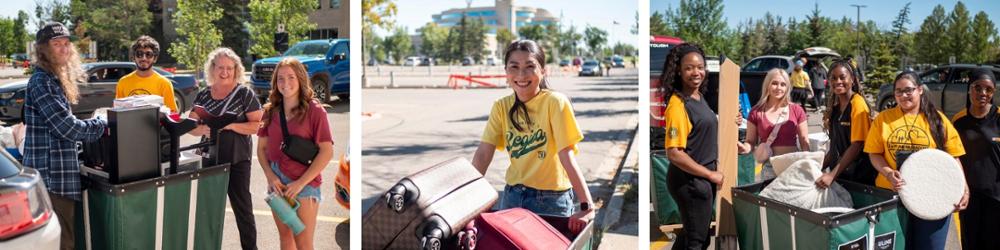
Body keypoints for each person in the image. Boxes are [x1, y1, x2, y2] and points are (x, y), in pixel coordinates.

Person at [471, 40, 595, 234]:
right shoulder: (501, 106)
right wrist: (464, 194)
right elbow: (483, 154)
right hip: (511, 196)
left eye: (530, 66)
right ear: (506, 71)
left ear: (543, 71)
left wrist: (587, 206)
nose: (521, 75)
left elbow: (566, 156)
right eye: (514, 67)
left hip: (551, 200)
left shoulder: (555, 102)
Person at [23, 22, 109, 250]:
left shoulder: (53, 79)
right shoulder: (42, 81)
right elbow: (67, 128)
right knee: (62, 243)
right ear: (43, 49)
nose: (63, 49)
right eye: (56, 44)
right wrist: (103, 123)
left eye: (66, 44)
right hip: (52, 180)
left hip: (57, 177)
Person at [864, 71, 969, 250]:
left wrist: (964, 188)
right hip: (892, 199)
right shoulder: (883, 119)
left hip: (932, 198)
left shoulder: (938, 119)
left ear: (920, 90)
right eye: (898, 91)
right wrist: (888, 173)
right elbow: (874, 153)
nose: (903, 95)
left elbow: (953, 157)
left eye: (908, 90)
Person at [187, 47, 263, 250]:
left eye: (230, 68)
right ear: (212, 68)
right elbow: (191, 127)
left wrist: (230, 126)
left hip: (238, 159)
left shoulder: (244, 93)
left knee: (243, 210)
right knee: (208, 211)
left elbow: (257, 125)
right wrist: (203, 128)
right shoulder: (203, 95)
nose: (225, 72)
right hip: (209, 160)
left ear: (236, 69)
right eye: (221, 67)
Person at [257, 57, 333, 250]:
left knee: (304, 243)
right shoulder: (270, 111)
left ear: (300, 79)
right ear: (275, 83)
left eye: (291, 77)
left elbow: (326, 152)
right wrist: (270, 176)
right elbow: (261, 149)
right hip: (277, 184)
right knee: (285, 239)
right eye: (280, 79)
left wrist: (300, 183)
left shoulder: (315, 111)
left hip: (305, 184)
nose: (285, 83)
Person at [657, 43, 721, 250]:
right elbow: (674, 153)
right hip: (691, 181)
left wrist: (732, 120)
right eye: (689, 68)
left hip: (700, 179)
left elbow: (706, 130)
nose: (696, 72)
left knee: (690, 237)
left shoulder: (699, 96)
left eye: (700, 67)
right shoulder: (678, 104)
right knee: (698, 241)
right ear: (678, 70)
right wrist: (709, 175)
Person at [950, 68, 999, 250]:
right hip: (969, 198)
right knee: (970, 243)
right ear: (969, 89)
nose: (983, 93)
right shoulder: (958, 121)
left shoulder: (999, 117)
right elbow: (953, 158)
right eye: (978, 87)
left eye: (989, 89)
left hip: (996, 198)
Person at [741, 68, 810, 180]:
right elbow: (750, 142)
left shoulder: (797, 110)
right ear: (767, 85)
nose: (779, 88)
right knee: (770, 198)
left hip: (793, 165)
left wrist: (808, 165)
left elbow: (804, 141)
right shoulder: (756, 112)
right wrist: (744, 148)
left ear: (787, 87)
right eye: (774, 83)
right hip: (769, 167)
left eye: (783, 84)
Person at [816, 60, 876, 188]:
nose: (838, 81)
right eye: (833, 78)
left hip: (859, 177)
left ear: (853, 80)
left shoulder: (858, 104)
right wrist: (818, 168)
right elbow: (835, 148)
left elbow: (857, 145)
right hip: (842, 175)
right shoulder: (835, 108)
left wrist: (832, 175)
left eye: (842, 77)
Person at [115, 35, 178, 113]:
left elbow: (173, 113)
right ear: (134, 57)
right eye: (139, 54)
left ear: (154, 58)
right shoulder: (123, 82)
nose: (144, 58)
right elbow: (118, 112)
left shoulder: (164, 83)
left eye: (148, 54)